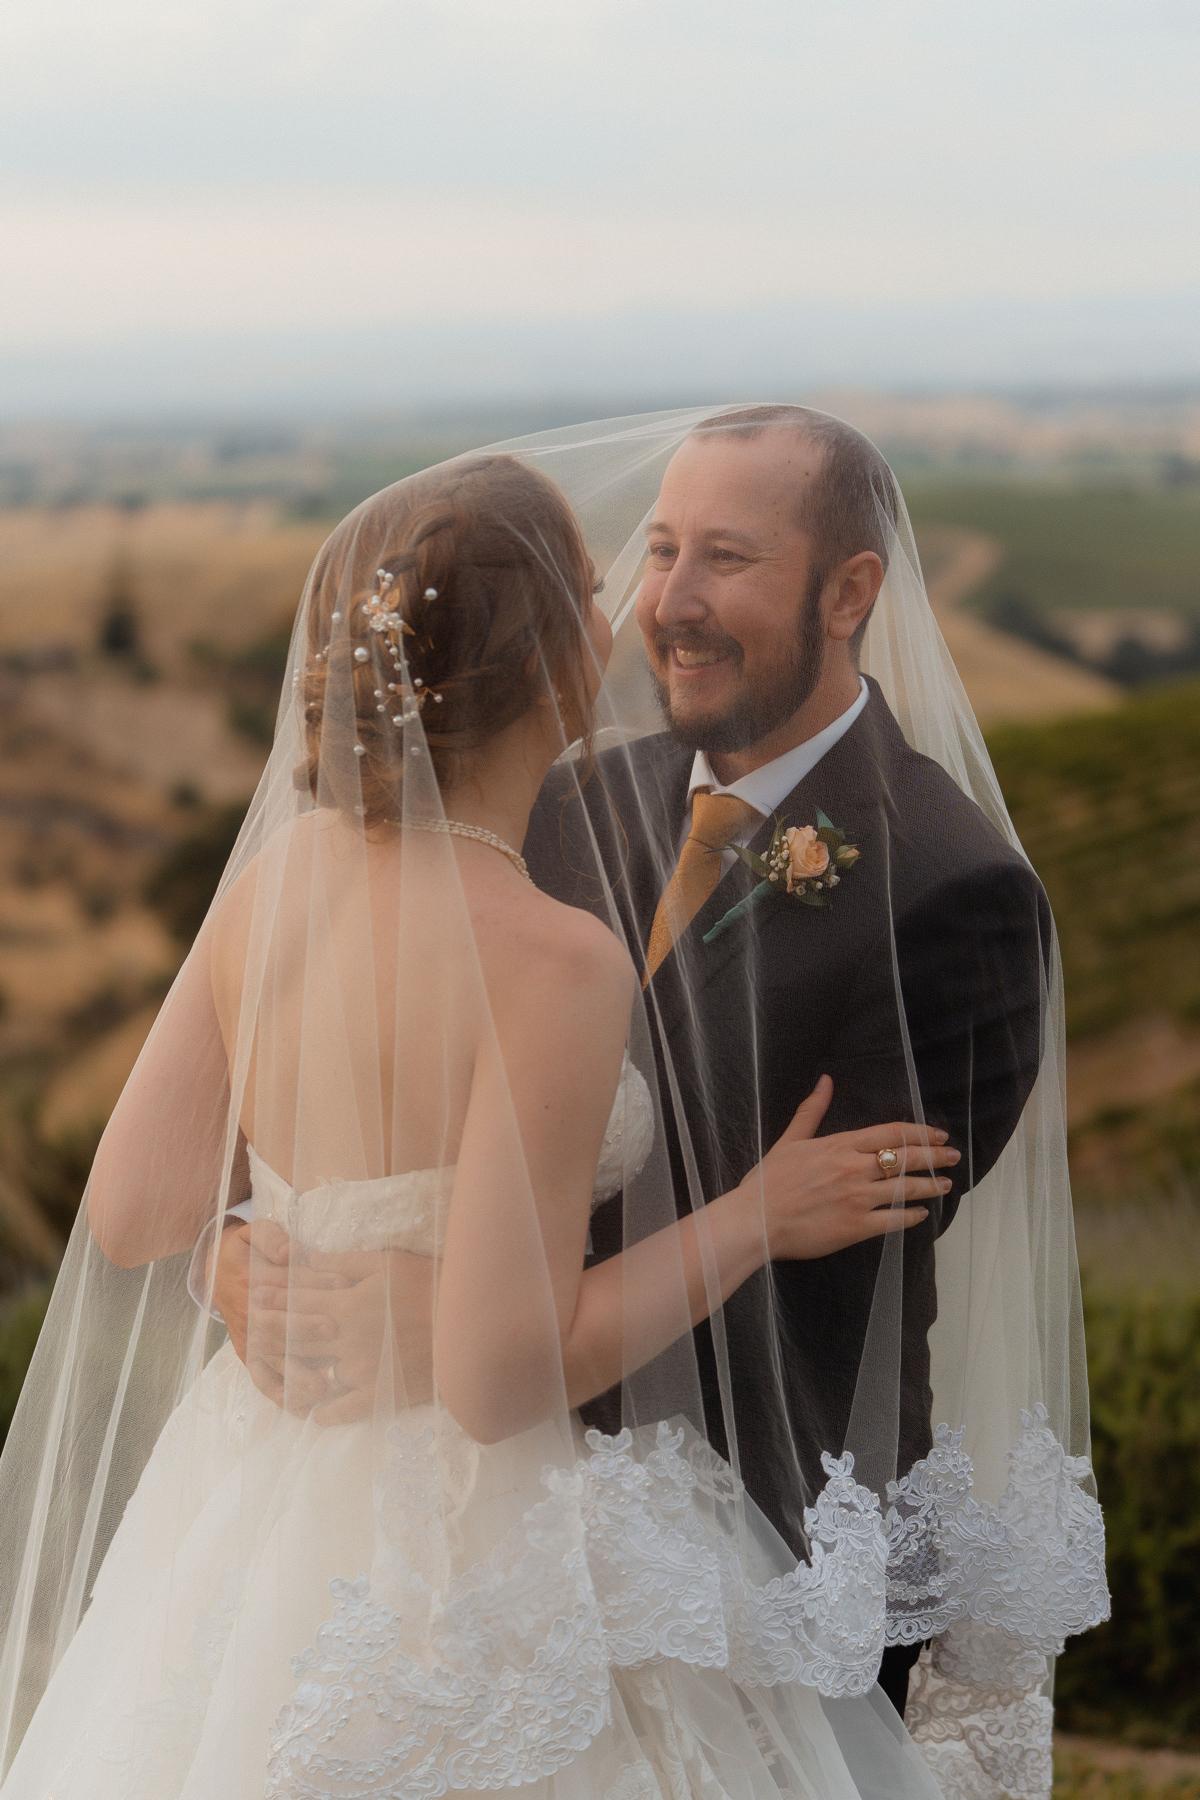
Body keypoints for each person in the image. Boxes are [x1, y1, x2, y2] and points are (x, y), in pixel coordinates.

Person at [0, 440, 956, 1800]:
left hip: (260, 1486)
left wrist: (252, 1246)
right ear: (554, 663)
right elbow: (497, 1379)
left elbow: (134, 1207)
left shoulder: (279, 876)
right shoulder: (550, 957)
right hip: (465, 1539)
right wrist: (753, 1218)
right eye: (593, 585)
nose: (625, 606)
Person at [203, 408, 1110, 1798]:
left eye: (727, 559)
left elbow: (825, 1252)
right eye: (663, 548)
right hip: (477, 1535)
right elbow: (375, 1069)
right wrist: (250, 1251)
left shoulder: (954, 891)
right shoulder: (571, 799)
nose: (670, 600)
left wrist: (438, 1320)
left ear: (849, 594)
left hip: (761, 1558)